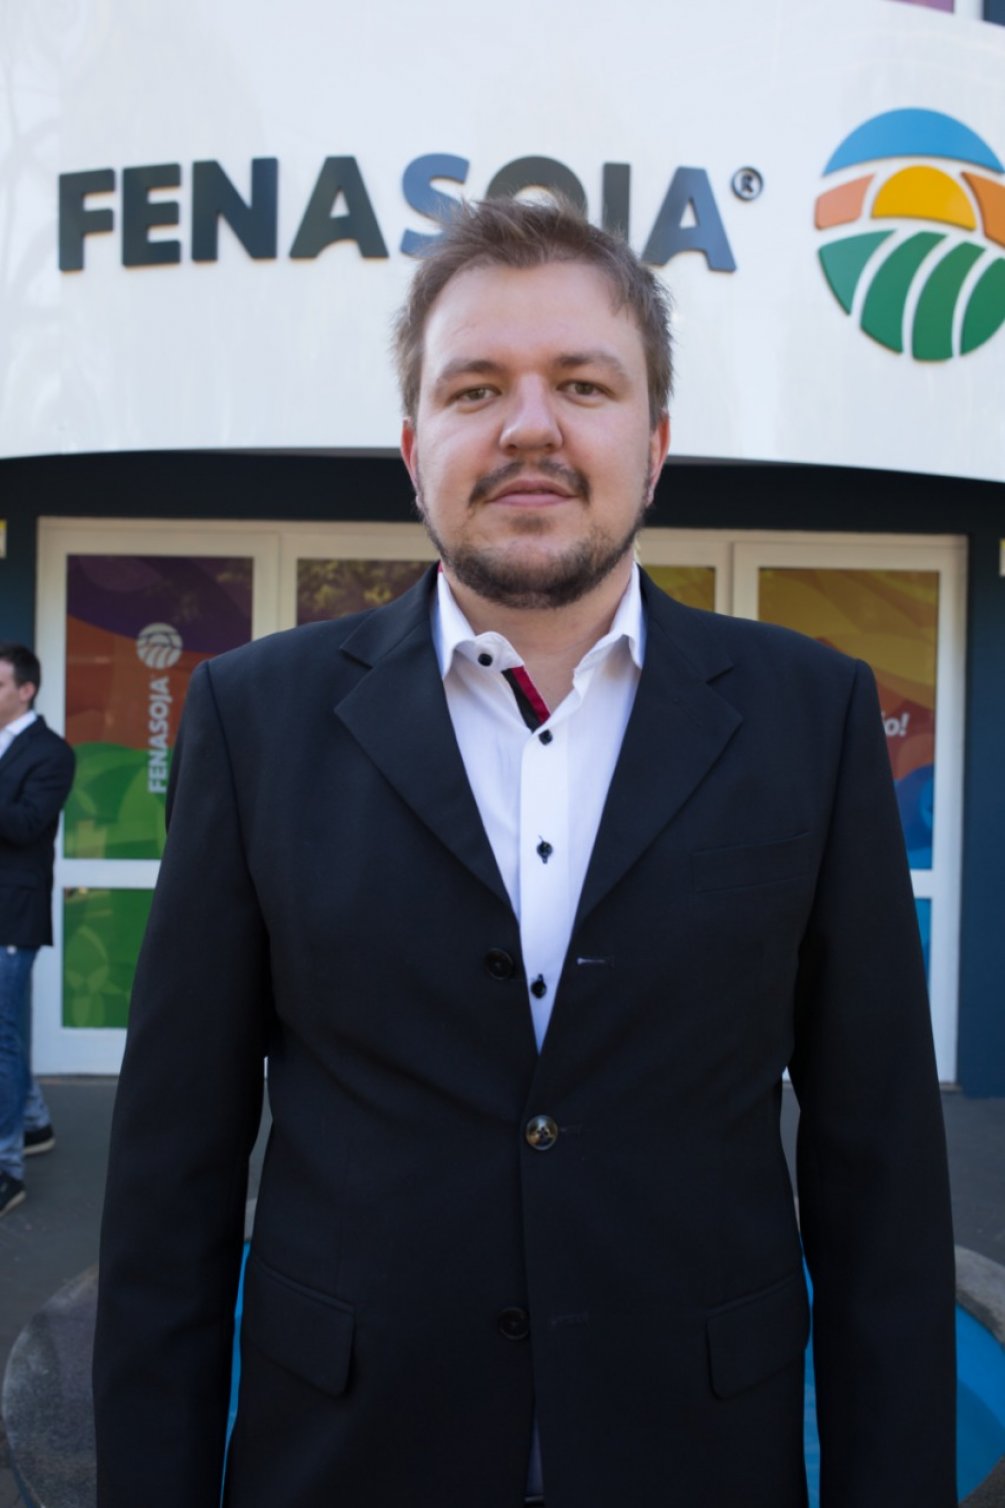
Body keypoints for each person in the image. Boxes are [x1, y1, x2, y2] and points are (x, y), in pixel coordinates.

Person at [93, 199, 956, 1507]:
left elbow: (877, 1169)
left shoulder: (810, 713)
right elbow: (172, 1179)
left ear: (654, 446)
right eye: (476, 387)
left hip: (697, 1458)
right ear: (413, 447)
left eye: (584, 385)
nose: (529, 426)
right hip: (347, 1460)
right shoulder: (253, 717)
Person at [0, 644, 76, 1217]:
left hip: (12, 913)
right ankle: (33, 1122)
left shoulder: (52, 752)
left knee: (0, 1039)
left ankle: (7, 1167)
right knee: (5, 1032)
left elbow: (27, 825)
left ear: (25, 690)